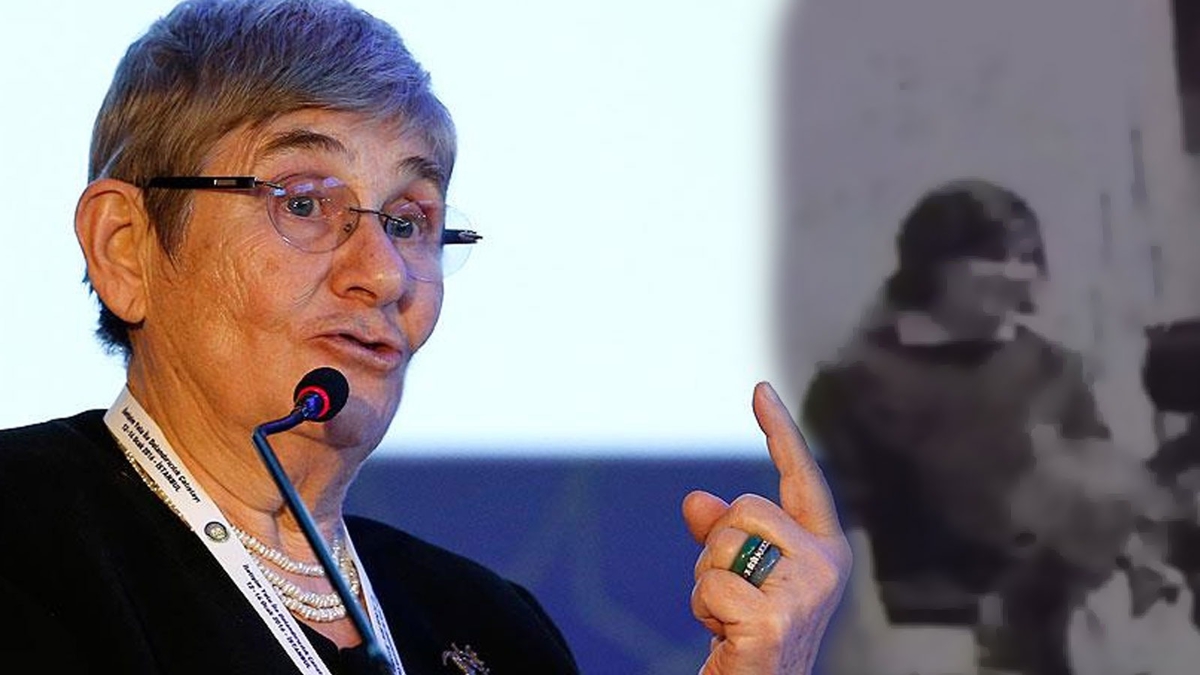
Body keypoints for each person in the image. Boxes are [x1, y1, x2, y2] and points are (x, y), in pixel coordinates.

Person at [0, 1, 849, 673]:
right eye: (304, 202)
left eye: (410, 220)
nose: (384, 273)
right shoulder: (23, 538)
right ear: (126, 247)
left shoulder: (491, 627)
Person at [803, 179, 1159, 675]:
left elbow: (1100, 499)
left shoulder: (1053, 369)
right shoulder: (857, 382)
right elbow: (841, 525)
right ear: (933, 265)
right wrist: (870, 642)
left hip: (1049, 632)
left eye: (1028, 258)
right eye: (992, 256)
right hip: (921, 634)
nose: (1016, 274)